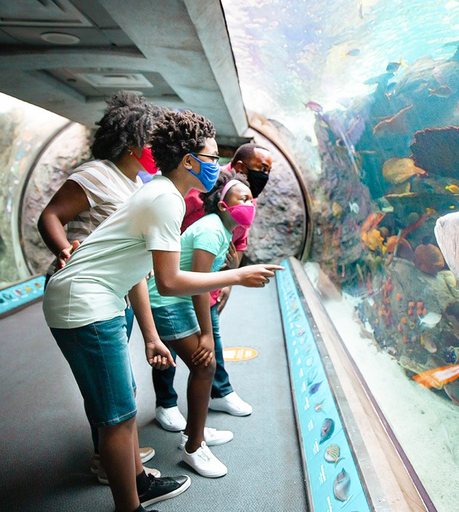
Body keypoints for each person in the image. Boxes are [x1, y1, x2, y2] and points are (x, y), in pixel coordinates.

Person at [43, 108, 282, 512]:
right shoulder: (165, 200)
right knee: (118, 417)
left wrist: (151, 334)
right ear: (189, 161)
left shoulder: (160, 192)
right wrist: (237, 278)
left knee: (119, 407)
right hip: (85, 304)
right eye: (211, 157)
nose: (218, 165)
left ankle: (139, 483)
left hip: (89, 298)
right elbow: (169, 281)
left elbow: (138, 270)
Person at [37, 91, 163, 483]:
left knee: (114, 385)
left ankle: (116, 452)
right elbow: (51, 215)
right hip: (90, 290)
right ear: (131, 144)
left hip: (115, 294)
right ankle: (111, 463)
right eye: (152, 141)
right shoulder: (96, 173)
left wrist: (148, 332)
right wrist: (63, 251)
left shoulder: (133, 184)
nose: (156, 149)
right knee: (111, 389)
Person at [153, 143, 273, 430]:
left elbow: (238, 240)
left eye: (269, 171)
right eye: (261, 169)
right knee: (173, 344)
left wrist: (227, 278)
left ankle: (219, 393)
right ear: (241, 166)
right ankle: (167, 403)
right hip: (177, 284)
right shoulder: (203, 195)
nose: (265, 176)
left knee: (209, 343)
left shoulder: (244, 198)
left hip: (208, 282)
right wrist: (231, 277)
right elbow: (177, 234)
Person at [148, 171, 255, 477]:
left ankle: (196, 430)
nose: (249, 203)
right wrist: (207, 334)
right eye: (242, 197)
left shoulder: (222, 231)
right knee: (205, 365)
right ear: (223, 204)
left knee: (202, 367)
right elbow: (198, 284)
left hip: (176, 300)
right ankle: (193, 447)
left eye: (250, 198)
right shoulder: (211, 231)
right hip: (168, 303)